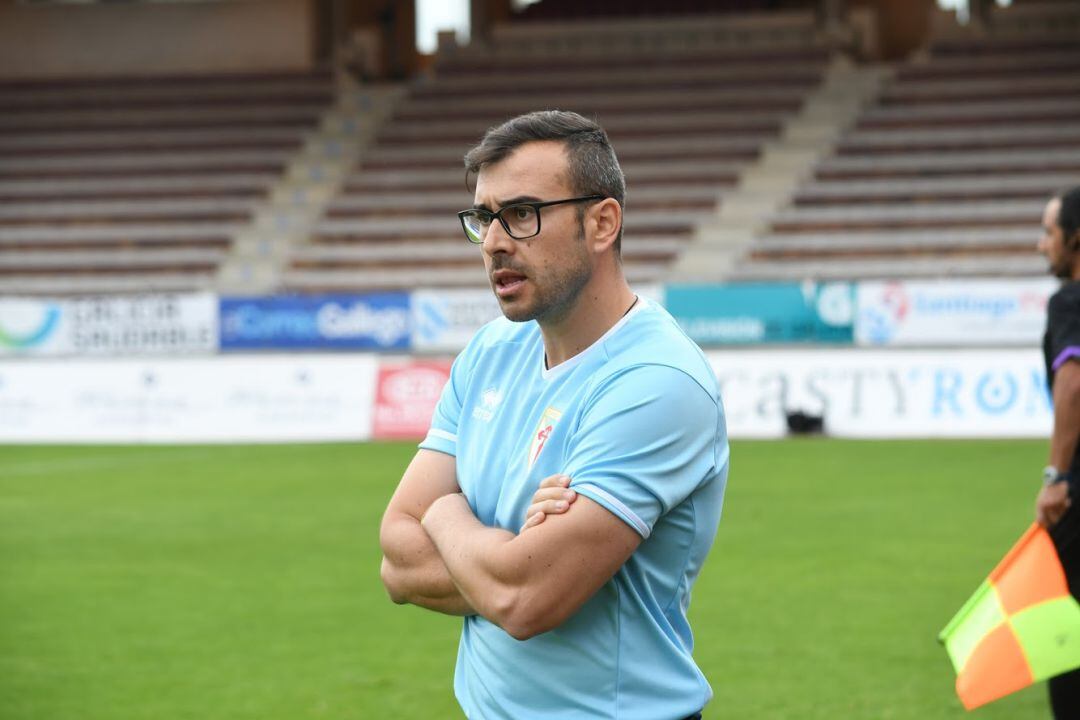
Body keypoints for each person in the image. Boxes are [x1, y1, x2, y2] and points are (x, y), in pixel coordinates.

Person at [378, 110, 729, 719]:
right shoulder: (491, 351)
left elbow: (526, 599)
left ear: (602, 221)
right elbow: (396, 562)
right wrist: (505, 553)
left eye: (520, 213)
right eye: (483, 218)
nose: (493, 241)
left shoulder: (656, 381)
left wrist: (444, 513)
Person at [1033, 185, 1080, 719]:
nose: (1041, 244)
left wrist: (1058, 477)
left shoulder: (1070, 299)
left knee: (1064, 639)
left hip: (1079, 500)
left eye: (1048, 232)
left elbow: (1071, 380)